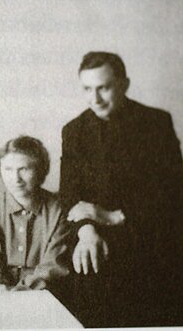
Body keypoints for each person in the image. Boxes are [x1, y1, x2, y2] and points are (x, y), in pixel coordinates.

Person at [59, 51, 183, 327]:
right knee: (87, 264)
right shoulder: (74, 131)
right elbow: (69, 193)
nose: (95, 98)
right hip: (97, 239)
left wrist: (114, 216)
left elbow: (174, 192)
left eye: (103, 87)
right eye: (87, 89)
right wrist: (87, 231)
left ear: (124, 84)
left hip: (151, 235)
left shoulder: (156, 124)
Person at [0, 136, 70, 294]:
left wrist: (19, 295)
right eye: (8, 169)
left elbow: (52, 267)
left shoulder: (58, 209)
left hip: (42, 295)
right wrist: (3, 293)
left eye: (24, 169)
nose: (16, 179)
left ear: (40, 170)